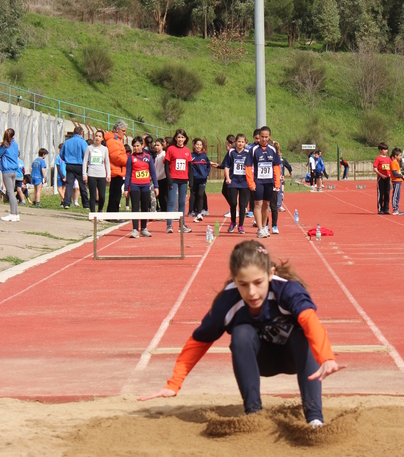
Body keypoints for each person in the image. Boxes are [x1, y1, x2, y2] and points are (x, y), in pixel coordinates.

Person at [138, 240, 345, 426]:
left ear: (271, 273)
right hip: (257, 361)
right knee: (241, 333)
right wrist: (174, 384)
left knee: (303, 335)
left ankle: (314, 418)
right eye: (243, 285)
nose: (252, 292)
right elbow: (199, 341)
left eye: (258, 282)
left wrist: (326, 357)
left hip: (294, 357)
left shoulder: (288, 291)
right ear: (234, 281)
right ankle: (254, 414)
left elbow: (310, 320)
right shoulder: (228, 302)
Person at [246, 126, 281, 238]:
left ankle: (265, 226)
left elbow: (276, 167)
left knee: (267, 204)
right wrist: (251, 183)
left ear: (269, 137)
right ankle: (260, 228)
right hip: (258, 181)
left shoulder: (273, 150)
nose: (264, 139)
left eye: (266, 137)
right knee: (258, 204)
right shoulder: (254, 150)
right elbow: (247, 167)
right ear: (259, 137)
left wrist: (277, 182)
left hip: (269, 182)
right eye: (262, 137)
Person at [124, 136, 159, 238]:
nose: (136, 148)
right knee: (135, 207)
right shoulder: (131, 158)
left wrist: (156, 186)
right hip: (134, 185)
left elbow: (153, 172)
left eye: (138, 146)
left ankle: (143, 228)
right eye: (134, 146)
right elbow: (128, 174)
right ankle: (135, 229)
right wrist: (126, 188)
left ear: (142, 145)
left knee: (145, 207)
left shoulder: (148, 157)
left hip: (146, 186)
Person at [165, 129, 193, 234]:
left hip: (183, 180)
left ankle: (182, 225)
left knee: (182, 202)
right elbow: (166, 165)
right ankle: (169, 225)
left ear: (185, 139)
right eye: (178, 137)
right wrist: (168, 179)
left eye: (182, 137)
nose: (180, 139)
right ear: (175, 138)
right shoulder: (170, 149)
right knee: (172, 201)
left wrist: (191, 181)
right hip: (173, 179)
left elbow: (189, 167)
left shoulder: (187, 150)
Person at [224, 133, 249, 234]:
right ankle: (233, 222)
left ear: (245, 143)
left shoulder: (248, 152)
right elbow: (226, 165)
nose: (240, 143)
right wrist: (228, 178)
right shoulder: (231, 152)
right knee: (233, 203)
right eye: (239, 141)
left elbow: (252, 166)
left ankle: (241, 225)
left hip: (244, 182)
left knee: (243, 205)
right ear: (235, 142)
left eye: (242, 142)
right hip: (233, 181)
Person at [83, 129, 111, 213]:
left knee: (102, 196)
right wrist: (84, 174)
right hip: (92, 173)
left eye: (99, 136)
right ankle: (93, 213)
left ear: (102, 139)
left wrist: (108, 174)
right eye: (96, 136)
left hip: (101, 174)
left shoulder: (105, 149)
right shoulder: (89, 148)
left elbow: (107, 162)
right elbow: (84, 161)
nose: (97, 138)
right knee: (93, 195)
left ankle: (100, 210)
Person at [60, 127, 89, 209]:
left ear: (73, 133)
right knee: (82, 185)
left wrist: (67, 159)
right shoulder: (82, 142)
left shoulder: (67, 142)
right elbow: (86, 154)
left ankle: (66, 203)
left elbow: (61, 155)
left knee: (69, 185)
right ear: (81, 133)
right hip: (79, 165)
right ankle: (86, 204)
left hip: (69, 164)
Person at [104, 121, 128, 213]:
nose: (125, 133)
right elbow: (116, 157)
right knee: (115, 194)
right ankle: (112, 213)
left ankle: (112, 213)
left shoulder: (116, 140)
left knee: (115, 193)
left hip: (117, 170)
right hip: (116, 171)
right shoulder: (114, 141)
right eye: (123, 130)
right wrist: (128, 160)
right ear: (117, 130)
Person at [0, 128, 21, 222]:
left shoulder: (4, 145)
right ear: (13, 136)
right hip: (14, 170)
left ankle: (12, 213)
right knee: (12, 191)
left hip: (7, 170)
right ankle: (16, 213)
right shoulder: (15, 145)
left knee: (10, 192)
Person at [190, 137, 211, 222]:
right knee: (194, 195)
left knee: (200, 194)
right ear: (194, 146)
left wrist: (206, 174)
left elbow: (208, 166)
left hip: (202, 179)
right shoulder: (191, 156)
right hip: (194, 179)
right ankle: (194, 211)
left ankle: (199, 212)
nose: (199, 146)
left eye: (200, 145)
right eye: (197, 145)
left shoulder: (204, 156)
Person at [373, 142, 391, 215]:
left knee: (387, 193)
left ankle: (386, 209)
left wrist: (390, 176)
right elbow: (375, 168)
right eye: (384, 149)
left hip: (388, 178)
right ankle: (380, 209)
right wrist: (381, 175)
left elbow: (391, 167)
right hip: (381, 178)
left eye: (387, 149)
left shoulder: (388, 158)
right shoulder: (378, 158)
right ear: (380, 150)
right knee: (381, 193)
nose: (386, 151)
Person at [390, 147, 404, 216]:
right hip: (396, 181)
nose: (400, 157)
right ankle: (395, 209)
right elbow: (394, 173)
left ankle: (397, 208)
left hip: (399, 181)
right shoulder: (394, 163)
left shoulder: (397, 163)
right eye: (400, 155)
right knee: (395, 195)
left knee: (398, 196)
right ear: (395, 156)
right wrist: (401, 176)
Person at [154, 138, 168, 213]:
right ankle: (160, 210)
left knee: (163, 196)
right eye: (155, 145)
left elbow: (164, 168)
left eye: (158, 145)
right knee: (159, 196)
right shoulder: (156, 155)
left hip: (163, 178)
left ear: (162, 146)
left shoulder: (164, 155)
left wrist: (158, 176)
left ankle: (165, 211)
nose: (156, 147)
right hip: (157, 178)